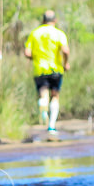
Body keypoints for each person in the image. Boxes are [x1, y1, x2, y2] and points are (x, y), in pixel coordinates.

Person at [23, 10, 69, 139]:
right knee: (55, 95)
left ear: (43, 20)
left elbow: (27, 53)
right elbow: (65, 50)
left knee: (43, 94)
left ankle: (44, 113)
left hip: (39, 69)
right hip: (56, 69)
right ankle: (51, 126)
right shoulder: (59, 33)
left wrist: (36, 58)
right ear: (55, 20)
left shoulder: (35, 33)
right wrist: (66, 63)